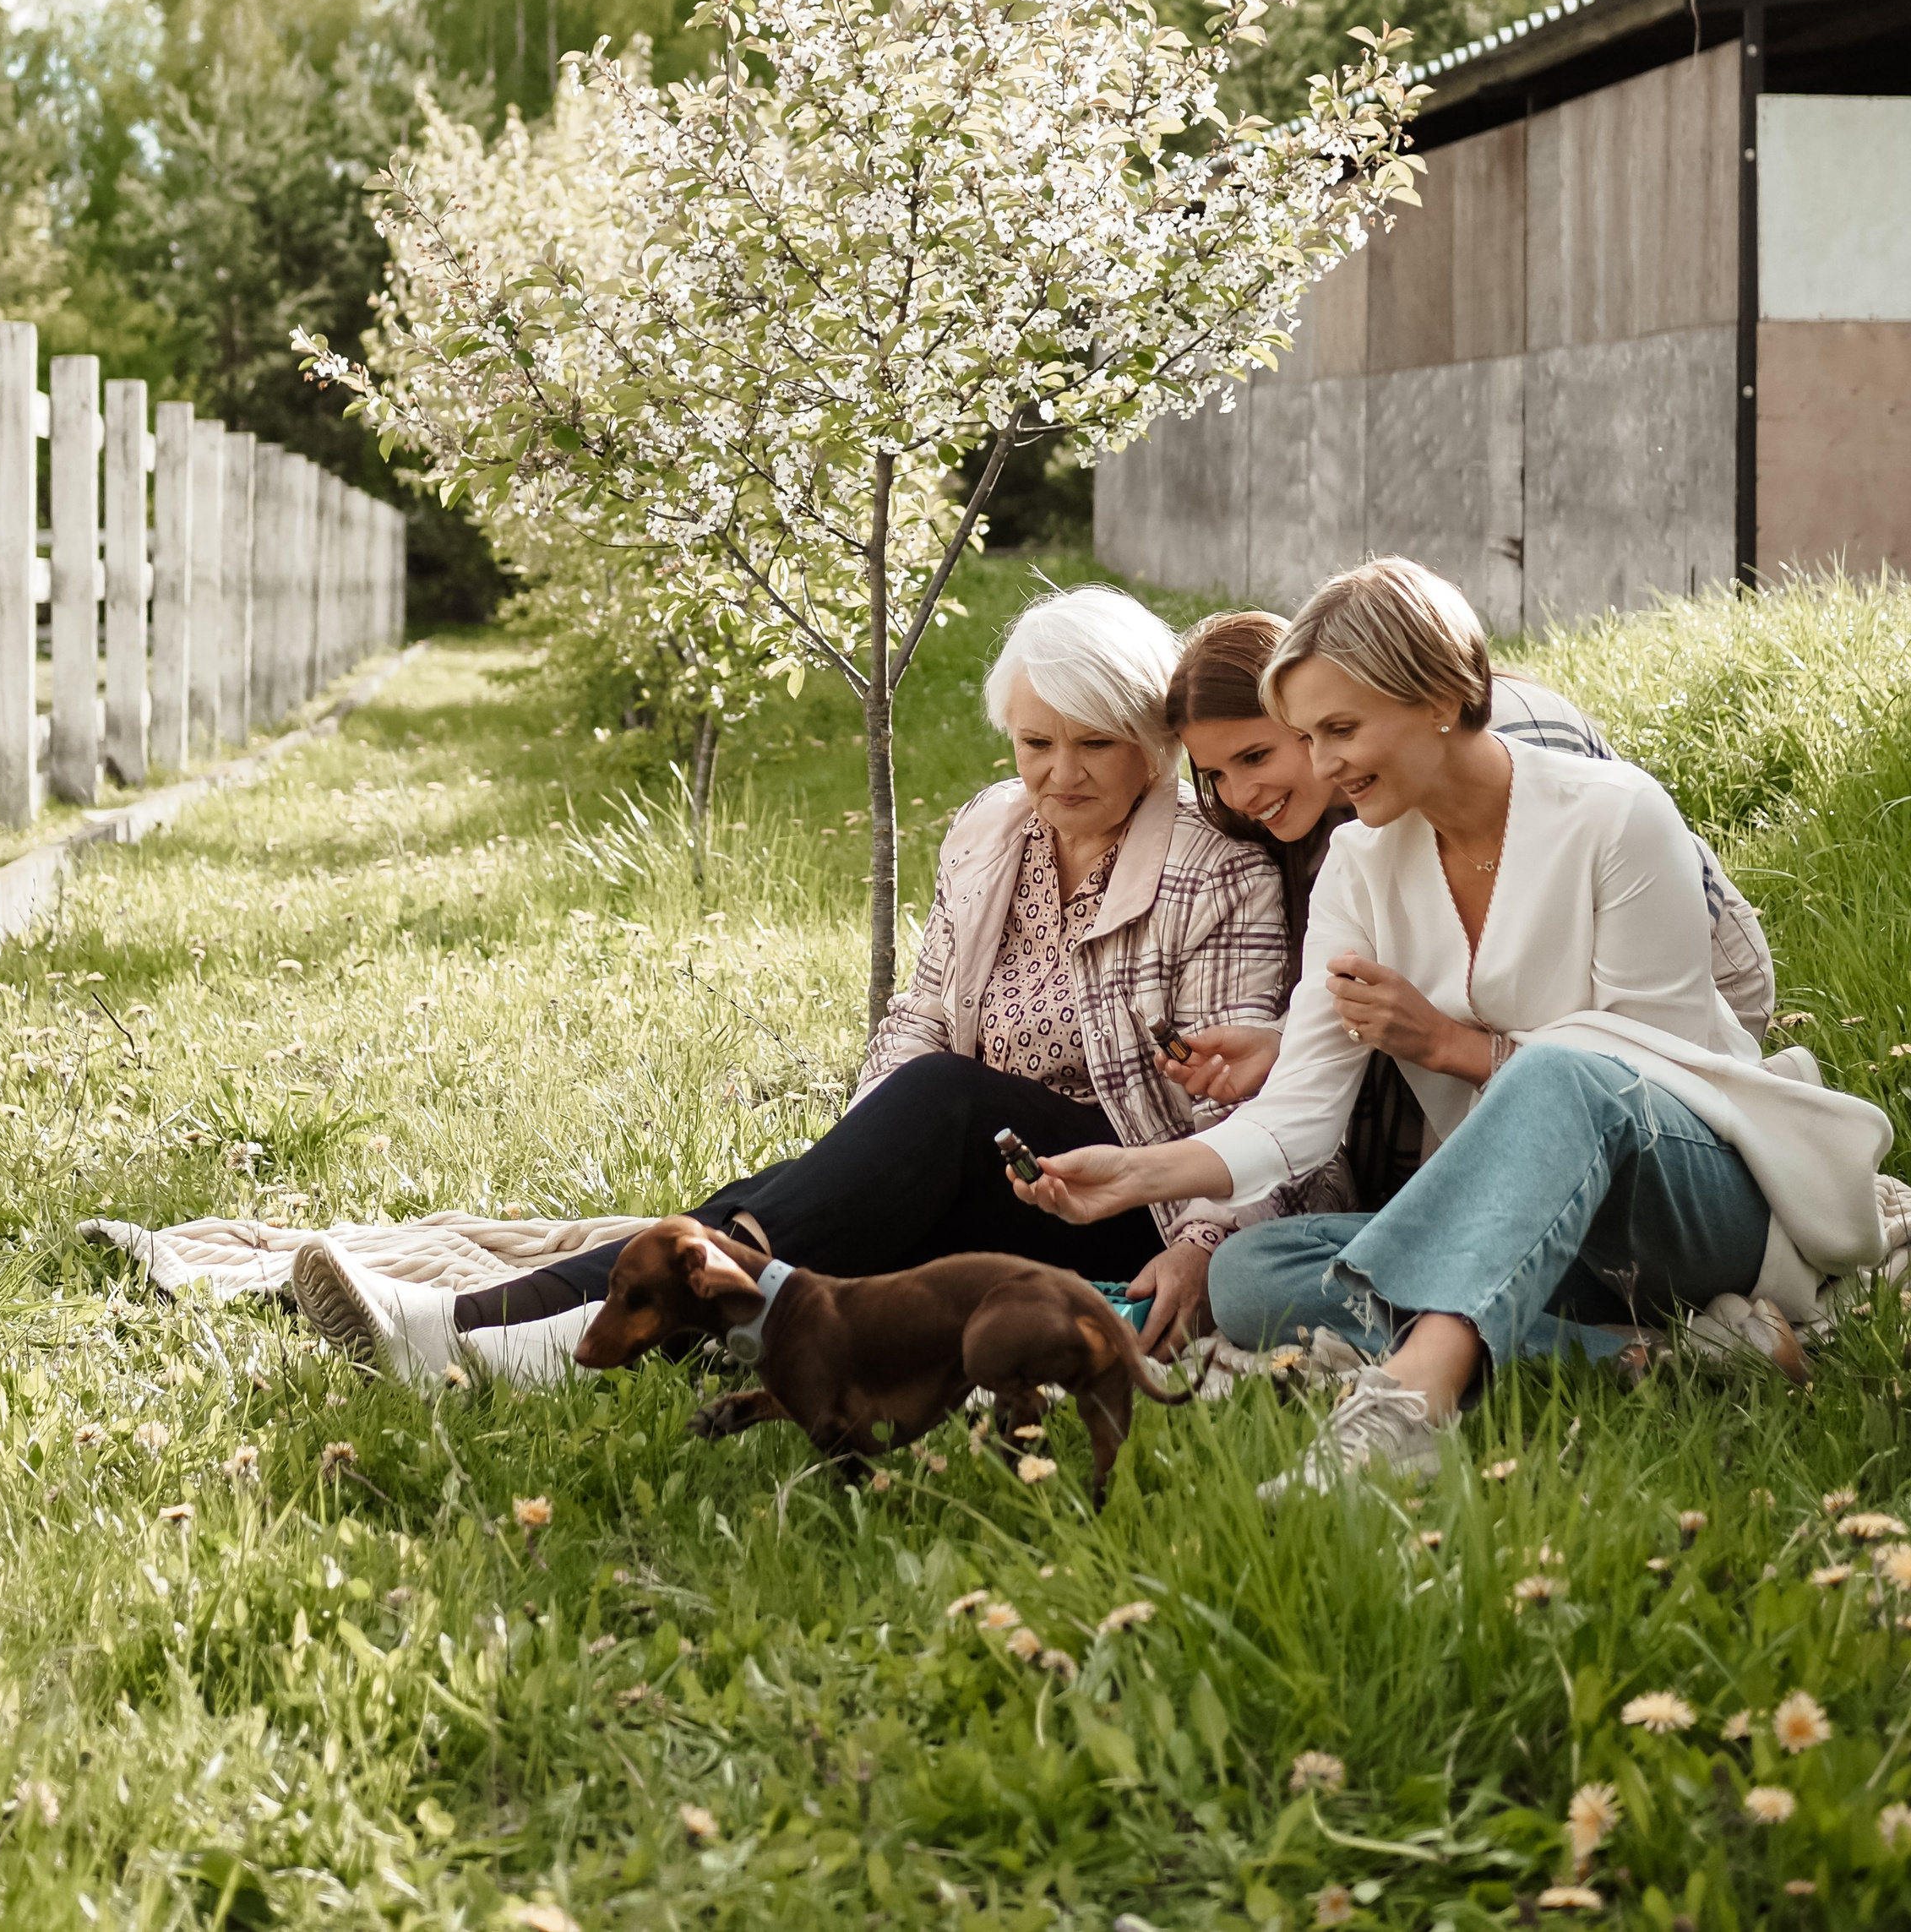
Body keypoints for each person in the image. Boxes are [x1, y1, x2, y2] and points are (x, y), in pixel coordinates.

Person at [1013, 558, 1889, 1492]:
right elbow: (1299, 1115)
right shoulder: (1356, 861)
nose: (1321, 764)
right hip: (1527, 1226)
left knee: (1559, 1070)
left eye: (1341, 728)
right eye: (1307, 735)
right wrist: (1134, 1174)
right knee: (1253, 1272)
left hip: (1693, 1198)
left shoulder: (1614, 814)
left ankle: (1404, 1406)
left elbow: (1654, 1071)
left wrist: (1450, 1046)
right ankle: (1648, 1357)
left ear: (1440, 694)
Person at [291, 585, 1296, 1389]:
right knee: (776, 1202)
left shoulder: (1212, 871)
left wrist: (1204, 1244)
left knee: (935, 1105)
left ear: (1152, 743)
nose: (1058, 772)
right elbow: (924, 1012)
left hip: (1135, 1204)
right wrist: (863, 1148)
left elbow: (1250, 1109)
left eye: (1094, 743)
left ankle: (537, 1339)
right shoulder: (994, 830)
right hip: (994, 1175)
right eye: (1036, 743)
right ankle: (466, 1324)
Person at [1160, 609, 1776, 1242]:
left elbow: (1622, 1074)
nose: (1237, 794)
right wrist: (1288, 1044)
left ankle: (1464, 1312)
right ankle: (1571, 1328)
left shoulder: (1524, 758)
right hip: (1508, 1048)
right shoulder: (1352, 830)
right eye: (1214, 775)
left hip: (1682, 998)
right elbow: (1374, 1017)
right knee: (1264, 1267)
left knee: (1494, 1181)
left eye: (1256, 755)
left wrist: (1447, 1045)